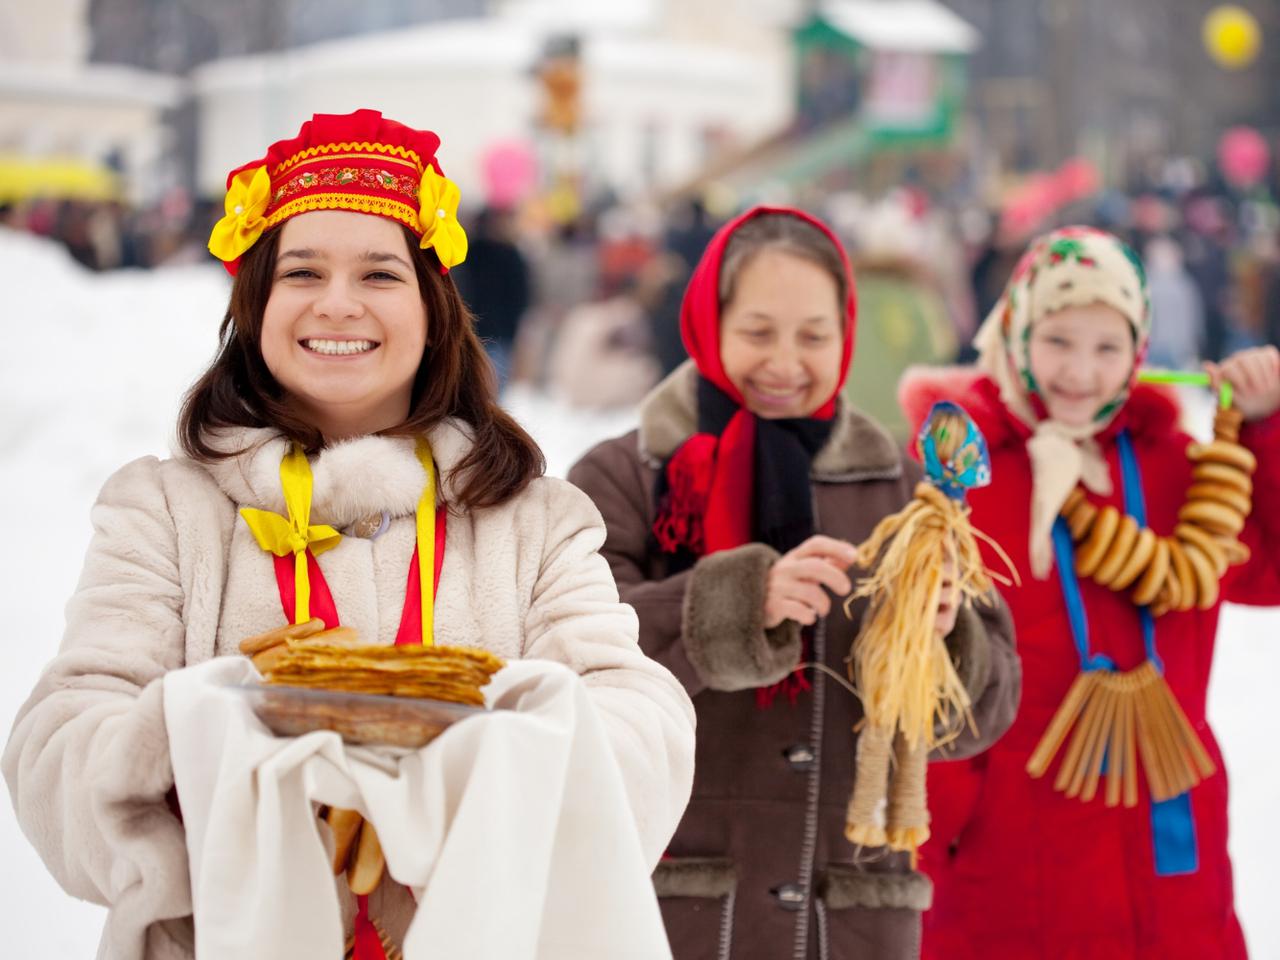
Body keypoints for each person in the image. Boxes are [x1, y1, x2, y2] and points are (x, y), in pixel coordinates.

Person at [3, 109, 695, 959]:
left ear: (433, 309)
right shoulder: (162, 511)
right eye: (301, 271)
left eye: (379, 274)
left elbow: (643, 724)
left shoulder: (537, 522)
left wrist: (475, 775)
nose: (338, 303)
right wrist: (214, 750)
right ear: (255, 304)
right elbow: (57, 745)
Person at [567, 206, 1021, 959]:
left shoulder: (906, 492)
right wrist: (737, 604)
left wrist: (941, 639)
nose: (785, 362)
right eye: (757, 332)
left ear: (846, 337)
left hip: (847, 921)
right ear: (709, 326)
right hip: (677, 914)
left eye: (814, 335)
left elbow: (987, 708)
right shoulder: (628, 474)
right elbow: (569, 658)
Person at [900, 225, 1280, 959]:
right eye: (1058, 341)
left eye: (1107, 348)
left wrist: (1263, 435)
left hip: (1167, 846)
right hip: (1012, 855)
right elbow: (927, 675)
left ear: (1139, 355)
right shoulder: (960, 480)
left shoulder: (1179, 469)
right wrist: (931, 839)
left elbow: (1266, 574)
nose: (1081, 371)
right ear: (1015, 335)